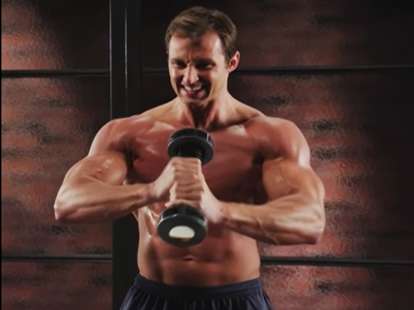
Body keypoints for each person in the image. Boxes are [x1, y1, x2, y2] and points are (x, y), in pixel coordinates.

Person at [54, 6, 325, 310]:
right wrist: (152, 191)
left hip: (234, 299)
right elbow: (67, 203)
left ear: (231, 62)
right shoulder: (129, 133)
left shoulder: (269, 136)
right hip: (153, 298)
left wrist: (218, 210)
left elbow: (310, 221)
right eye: (179, 64)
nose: (190, 77)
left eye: (204, 64)